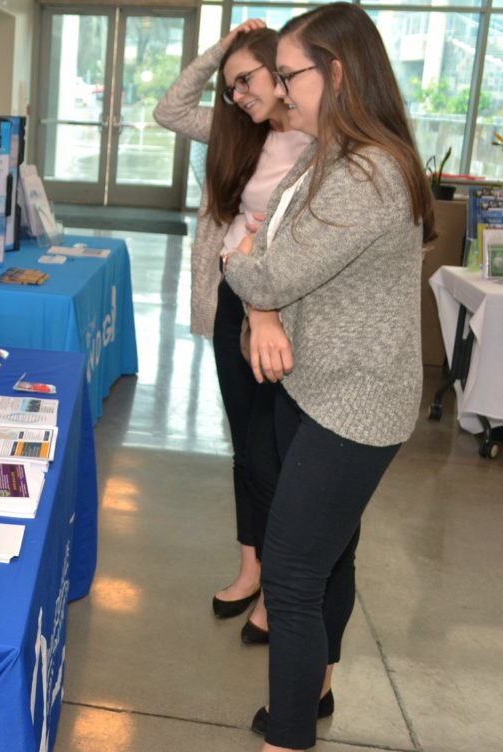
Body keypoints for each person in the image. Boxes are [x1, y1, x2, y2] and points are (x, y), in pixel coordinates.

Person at [222, 4, 435, 749]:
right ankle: (313, 694)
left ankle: (288, 734)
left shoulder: (370, 171)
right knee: (326, 554)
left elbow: (260, 260)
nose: (280, 93)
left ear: (338, 73)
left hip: (355, 400)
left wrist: (251, 282)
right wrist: (263, 304)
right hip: (312, 383)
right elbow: (262, 239)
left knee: (289, 572)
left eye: (290, 76)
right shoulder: (329, 154)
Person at [154, 21, 311, 640]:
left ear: (283, 73)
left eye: (246, 80)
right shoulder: (236, 129)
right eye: (230, 86)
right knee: (245, 444)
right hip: (232, 300)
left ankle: (277, 588)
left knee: (274, 451)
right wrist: (219, 53)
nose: (238, 95)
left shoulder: (317, 141)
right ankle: (249, 569)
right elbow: (170, 109)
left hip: (285, 313)